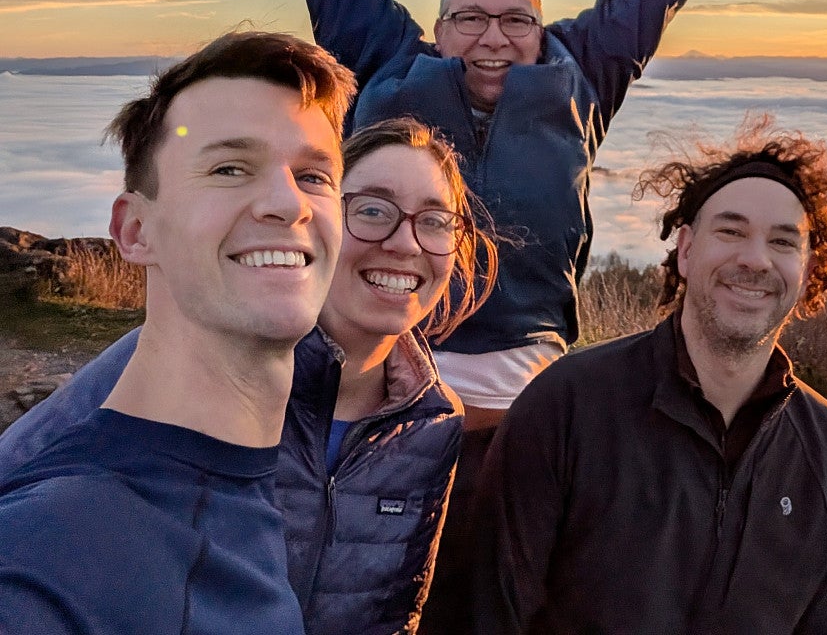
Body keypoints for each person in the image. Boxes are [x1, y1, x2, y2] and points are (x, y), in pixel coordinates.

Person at [199, 0, 807, 624]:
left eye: (513, 19)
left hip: (527, 362)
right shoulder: (383, 59)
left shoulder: (583, 77)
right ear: (438, 32)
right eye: (469, 19)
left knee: (525, 554)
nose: (492, 36)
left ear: (541, 28)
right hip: (387, 336)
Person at [0, 117, 495, 635]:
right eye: (371, 210)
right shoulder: (187, 359)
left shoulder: (431, 425)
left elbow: (395, 614)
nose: (405, 243)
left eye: (436, 221)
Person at [0, 31, 356, 634]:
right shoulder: (49, 560)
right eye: (229, 168)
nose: (286, 202)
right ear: (136, 229)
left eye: (313, 176)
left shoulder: (238, 491)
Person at [471, 119, 827, 634]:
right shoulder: (568, 406)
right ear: (685, 250)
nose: (754, 259)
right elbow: (489, 614)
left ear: (809, 267)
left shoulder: (824, 447)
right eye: (731, 230)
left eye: (783, 242)